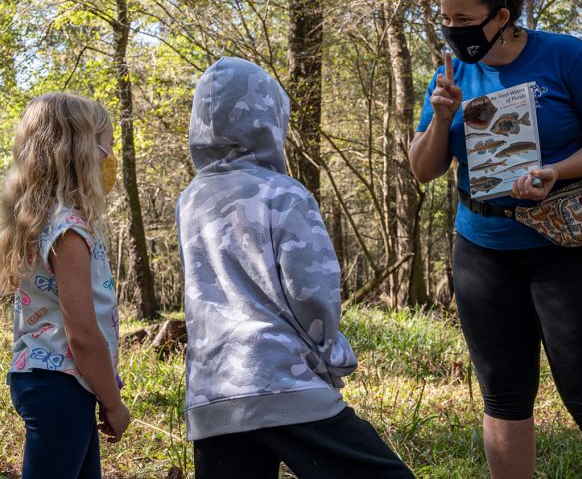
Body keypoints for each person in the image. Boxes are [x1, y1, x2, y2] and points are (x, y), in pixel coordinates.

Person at [408, 0, 582, 478]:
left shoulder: (570, 57)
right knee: (503, 396)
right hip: (483, 251)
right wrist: (442, 118)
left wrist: (555, 171)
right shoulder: (449, 76)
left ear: (502, 16)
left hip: (568, 249)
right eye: (444, 17)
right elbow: (423, 169)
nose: (451, 28)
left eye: (463, 18)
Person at [177, 57, 414, 479]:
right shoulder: (286, 194)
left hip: (213, 394)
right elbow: (310, 291)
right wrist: (330, 353)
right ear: (269, 120)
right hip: (284, 380)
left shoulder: (190, 200)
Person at [0, 92, 130, 479]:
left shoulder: (48, 221)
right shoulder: (68, 231)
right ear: (79, 151)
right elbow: (83, 334)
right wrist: (113, 401)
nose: (111, 157)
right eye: (107, 145)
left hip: (58, 383)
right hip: (61, 387)